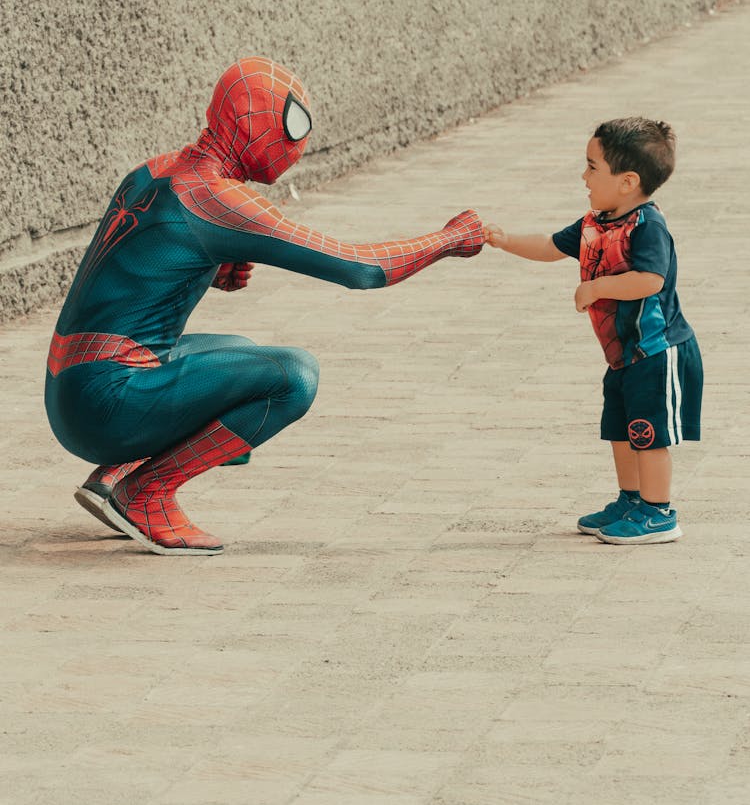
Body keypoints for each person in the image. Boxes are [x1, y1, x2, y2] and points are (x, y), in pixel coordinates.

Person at [45, 57, 485, 556]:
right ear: (252, 126)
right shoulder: (215, 197)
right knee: (292, 375)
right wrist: (449, 239)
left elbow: (133, 267)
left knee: (238, 350)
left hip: (69, 389)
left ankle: (115, 475)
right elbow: (361, 267)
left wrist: (210, 269)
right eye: (290, 125)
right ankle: (146, 493)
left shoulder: (154, 171)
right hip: (105, 407)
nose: (295, 145)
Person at [484, 117, 702, 544]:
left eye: (592, 167)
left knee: (648, 435)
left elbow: (650, 280)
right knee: (620, 429)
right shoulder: (594, 223)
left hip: (658, 352)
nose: (583, 177)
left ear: (627, 182)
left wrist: (597, 286)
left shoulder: (647, 227)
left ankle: (659, 513)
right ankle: (631, 499)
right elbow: (550, 246)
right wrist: (505, 239)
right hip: (622, 356)